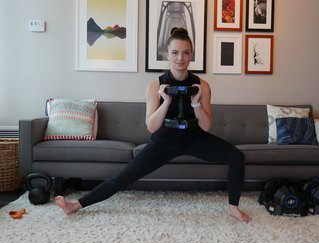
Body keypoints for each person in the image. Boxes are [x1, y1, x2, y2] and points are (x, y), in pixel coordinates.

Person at [55, 28, 251, 223]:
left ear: (192, 54)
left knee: (236, 157)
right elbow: (151, 126)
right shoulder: (155, 86)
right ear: (167, 55)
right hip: (164, 141)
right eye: (174, 53)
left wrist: (196, 102)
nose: (180, 58)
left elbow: (206, 126)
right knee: (122, 178)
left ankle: (233, 207)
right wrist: (165, 101)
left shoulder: (203, 85)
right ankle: (74, 206)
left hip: (195, 138)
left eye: (185, 52)